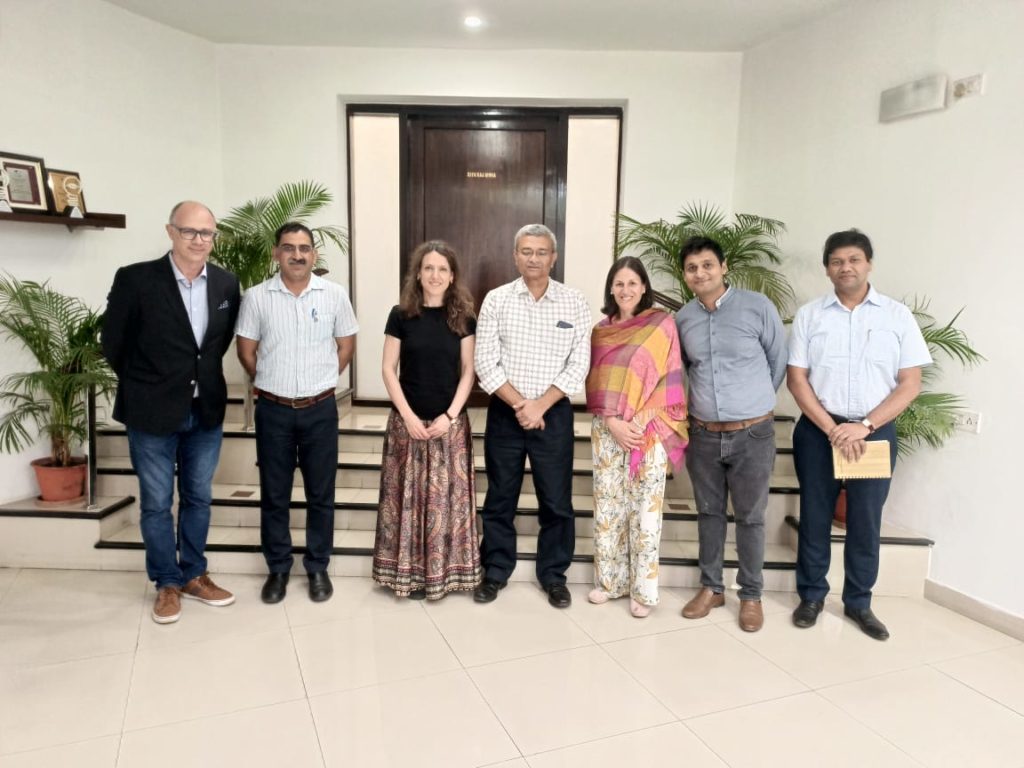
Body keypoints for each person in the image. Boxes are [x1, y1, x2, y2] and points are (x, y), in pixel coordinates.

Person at [788, 229, 931, 640]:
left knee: (865, 521)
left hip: (874, 433)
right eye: (836, 261)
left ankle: (859, 602)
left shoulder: (896, 316)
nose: (845, 267)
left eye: (853, 259)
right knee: (815, 516)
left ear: (868, 264)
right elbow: (797, 379)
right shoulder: (810, 315)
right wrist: (833, 429)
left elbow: (910, 382)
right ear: (827, 269)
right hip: (820, 431)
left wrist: (864, 426)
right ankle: (811, 596)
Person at [102, 200, 240, 625]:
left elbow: (216, 345)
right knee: (157, 503)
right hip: (151, 412)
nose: (199, 240)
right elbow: (113, 343)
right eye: (189, 231)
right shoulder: (136, 279)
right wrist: (148, 384)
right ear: (170, 232)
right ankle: (166, 582)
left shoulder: (226, 283)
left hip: (205, 409)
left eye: (207, 233)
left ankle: (194, 575)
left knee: (198, 497)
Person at [236, 222, 358, 605]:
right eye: (289, 247)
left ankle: (318, 566)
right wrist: (271, 381)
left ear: (314, 254)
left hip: (320, 410)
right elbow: (246, 351)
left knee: (321, 493)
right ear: (277, 253)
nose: (297, 255)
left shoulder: (334, 295)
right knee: (275, 494)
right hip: (273, 411)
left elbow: (346, 345)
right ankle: (278, 568)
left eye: (304, 248)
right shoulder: (257, 297)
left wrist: (321, 381)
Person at [474, 223, 592, 608]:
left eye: (542, 252)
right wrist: (521, 405)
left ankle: (554, 575)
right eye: (526, 251)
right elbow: (485, 363)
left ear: (553, 257)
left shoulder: (574, 302)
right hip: (505, 413)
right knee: (500, 497)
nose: (534, 258)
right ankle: (495, 571)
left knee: (556, 501)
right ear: (515, 256)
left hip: (553, 414)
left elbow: (579, 364)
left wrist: (540, 405)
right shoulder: (497, 300)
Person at [675, 236, 787, 632]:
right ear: (685, 275)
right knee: (708, 513)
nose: (700, 273)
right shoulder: (683, 319)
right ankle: (711, 587)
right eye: (692, 268)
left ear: (723, 267)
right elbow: (684, 370)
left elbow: (778, 361)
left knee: (751, 517)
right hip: (703, 434)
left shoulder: (757, 307)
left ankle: (751, 594)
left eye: (707, 265)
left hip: (752, 434)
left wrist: (751, 404)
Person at [372, 241, 481, 599]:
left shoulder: (463, 318)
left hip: (449, 426)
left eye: (442, 269)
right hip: (408, 423)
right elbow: (388, 369)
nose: (435, 275)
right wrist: (407, 416)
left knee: (445, 504)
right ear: (418, 274)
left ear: (452, 276)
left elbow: (469, 371)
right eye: (428, 268)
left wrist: (450, 416)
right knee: (406, 501)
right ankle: (408, 575)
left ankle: (445, 575)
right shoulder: (400, 315)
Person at [585, 257, 688, 618]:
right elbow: (594, 383)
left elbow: (669, 377)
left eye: (632, 283)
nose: (625, 290)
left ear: (644, 287)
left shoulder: (661, 325)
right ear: (611, 289)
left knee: (645, 511)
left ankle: (643, 590)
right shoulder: (600, 331)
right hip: (607, 429)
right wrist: (613, 421)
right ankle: (609, 583)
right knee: (608, 507)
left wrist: (640, 421)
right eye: (619, 283)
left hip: (649, 429)